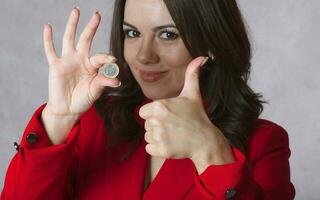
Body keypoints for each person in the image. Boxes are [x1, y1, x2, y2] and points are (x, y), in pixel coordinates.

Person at [1, 0, 295, 199]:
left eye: (168, 34)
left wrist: (212, 154)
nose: (143, 56)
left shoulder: (264, 144)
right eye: (132, 33)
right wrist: (58, 118)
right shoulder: (94, 122)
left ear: (212, 41)